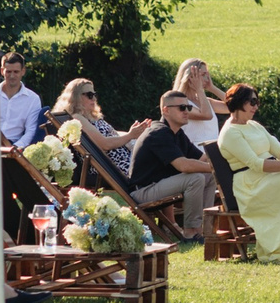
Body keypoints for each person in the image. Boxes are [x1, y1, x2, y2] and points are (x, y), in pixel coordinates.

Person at [215, 84, 280, 262]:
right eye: (253, 102)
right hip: (252, 185)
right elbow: (255, 164)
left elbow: (278, 150)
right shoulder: (230, 133)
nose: (256, 107)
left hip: (268, 177)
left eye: (257, 102)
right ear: (239, 102)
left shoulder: (254, 125)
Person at [128, 93, 219, 238]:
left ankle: (203, 227)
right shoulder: (159, 132)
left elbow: (202, 158)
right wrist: (217, 168)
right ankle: (191, 231)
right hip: (143, 191)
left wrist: (225, 160)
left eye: (188, 107)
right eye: (182, 107)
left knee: (209, 175)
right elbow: (184, 166)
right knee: (196, 178)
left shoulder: (177, 133)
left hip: (160, 186)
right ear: (166, 110)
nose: (186, 111)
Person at [53, 79, 152, 183]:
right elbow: (104, 144)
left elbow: (112, 134)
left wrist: (134, 132)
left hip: (123, 161)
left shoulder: (92, 116)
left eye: (95, 94)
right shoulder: (77, 118)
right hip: (112, 168)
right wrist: (130, 135)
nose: (94, 98)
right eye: (89, 95)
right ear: (75, 97)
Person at [168, 58, 231, 147]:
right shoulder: (179, 104)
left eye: (207, 75)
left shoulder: (207, 101)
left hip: (214, 153)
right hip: (195, 155)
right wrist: (199, 89)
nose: (206, 79)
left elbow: (234, 107)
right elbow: (206, 115)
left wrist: (212, 88)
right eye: (203, 74)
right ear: (190, 77)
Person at [0, 52, 43, 149]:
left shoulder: (33, 99)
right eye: (8, 72)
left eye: (16, 72)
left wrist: (16, 148)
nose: (12, 76)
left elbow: (31, 130)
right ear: (2, 71)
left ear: (23, 71)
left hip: (14, 145)